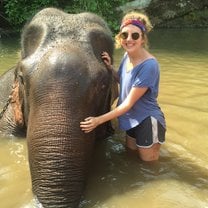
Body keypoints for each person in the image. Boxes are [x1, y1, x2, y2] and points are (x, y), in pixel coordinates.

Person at [80, 11, 166, 162]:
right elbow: (123, 80)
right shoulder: (127, 56)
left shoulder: (149, 65)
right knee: (131, 158)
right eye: (125, 35)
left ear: (143, 39)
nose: (129, 40)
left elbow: (127, 104)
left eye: (135, 35)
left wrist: (98, 121)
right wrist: (110, 67)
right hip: (131, 119)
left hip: (146, 120)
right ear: (120, 38)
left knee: (150, 168)